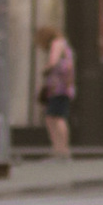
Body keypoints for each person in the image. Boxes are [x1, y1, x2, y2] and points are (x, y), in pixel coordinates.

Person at [38, 27, 77, 159]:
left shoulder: (57, 43)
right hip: (63, 87)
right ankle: (60, 149)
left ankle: (62, 150)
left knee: (56, 117)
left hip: (58, 87)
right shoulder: (64, 45)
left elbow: (53, 62)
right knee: (53, 117)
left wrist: (45, 69)